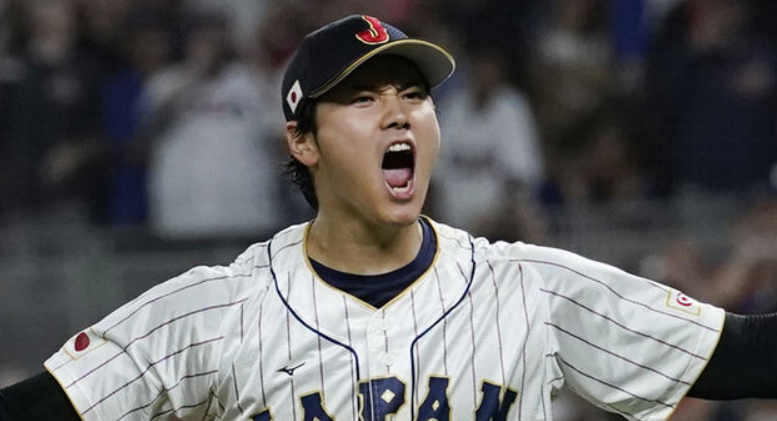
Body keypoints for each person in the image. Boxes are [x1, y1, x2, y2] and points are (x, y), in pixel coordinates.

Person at [1, 14, 776, 421]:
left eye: (413, 94)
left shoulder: (528, 289)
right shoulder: (217, 311)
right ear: (302, 141)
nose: (398, 113)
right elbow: (43, 405)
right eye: (363, 98)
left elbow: (740, 356)